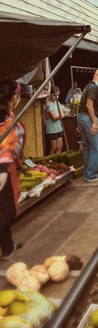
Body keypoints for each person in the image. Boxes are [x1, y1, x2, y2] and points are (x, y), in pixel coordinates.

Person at [0, 79, 25, 260]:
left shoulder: (9, 118)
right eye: (18, 95)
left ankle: (7, 247)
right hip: (5, 171)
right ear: (13, 97)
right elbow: (7, 146)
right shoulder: (9, 122)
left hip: (9, 169)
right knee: (8, 211)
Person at [77, 69, 98, 182]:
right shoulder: (93, 87)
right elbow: (89, 104)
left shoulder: (88, 86)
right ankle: (91, 175)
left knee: (86, 147)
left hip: (81, 117)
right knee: (94, 148)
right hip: (88, 118)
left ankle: (86, 174)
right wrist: (94, 121)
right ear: (95, 76)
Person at [46, 86, 64, 155]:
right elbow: (54, 117)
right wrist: (60, 116)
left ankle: (57, 161)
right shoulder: (49, 104)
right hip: (51, 128)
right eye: (55, 95)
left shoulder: (58, 103)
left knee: (60, 145)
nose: (57, 97)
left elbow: (63, 114)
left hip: (58, 127)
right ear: (50, 95)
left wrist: (59, 116)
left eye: (58, 95)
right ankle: (51, 161)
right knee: (54, 146)